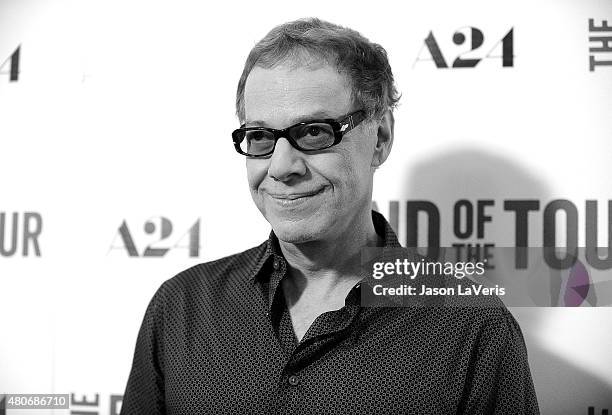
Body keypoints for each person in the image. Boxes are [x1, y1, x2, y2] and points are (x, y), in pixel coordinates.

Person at [120, 17, 539, 414]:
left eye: (314, 132)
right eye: (261, 137)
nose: (282, 166)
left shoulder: (473, 327)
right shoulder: (181, 307)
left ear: (381, 137)